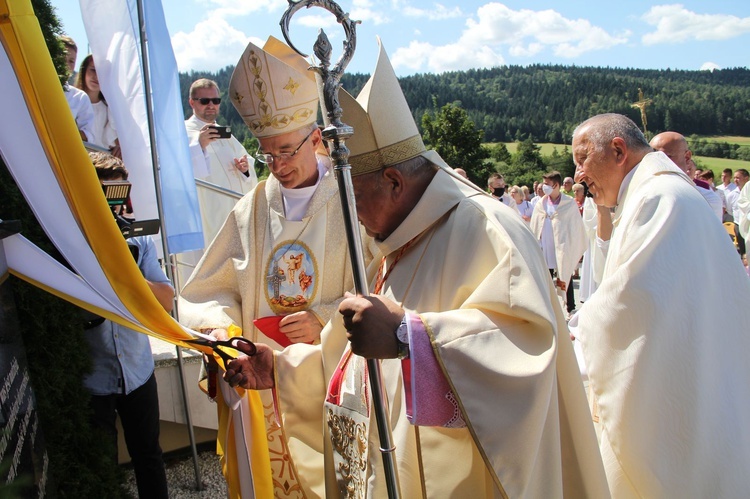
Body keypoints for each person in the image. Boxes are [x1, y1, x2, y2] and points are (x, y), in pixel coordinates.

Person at [222, 40, 608, 498]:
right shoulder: (402, 235)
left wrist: (409, 336)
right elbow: (348, 358)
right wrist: (281, 369)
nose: (355, 215)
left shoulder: (487, 228)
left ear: (393, 181)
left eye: (357, 198)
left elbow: (526, 350)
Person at [177, 37, 375, 498]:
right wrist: (223, 335)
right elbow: (206, 291)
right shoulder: (251, 209)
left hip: (329, 380)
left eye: (287, 151)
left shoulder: (352, 204)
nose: (278, 166)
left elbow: (384, 283)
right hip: (260, 385)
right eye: (268, 154)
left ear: (317, 139)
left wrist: (327, 317)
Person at [570, 113, 750, 497]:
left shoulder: (658, 199)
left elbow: (626, 310)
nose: (578, 174)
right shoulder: (655, 193)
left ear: (618, 150)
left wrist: (565, 341)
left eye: (581, 159)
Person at [85, 151, 170, 499]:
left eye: (121, 196)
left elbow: (165, 299)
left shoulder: (139, 240)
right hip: (92, 377)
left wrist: (125, 266)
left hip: (137, 370)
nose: (117, 207)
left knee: (148, 455)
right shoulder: (72, 242)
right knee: (99, 465)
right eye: (108, 197)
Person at [177, 78, 258, 287]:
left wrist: (245, 167)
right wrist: (199, 146)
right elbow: (176, 171)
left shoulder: (225, 133)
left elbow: (248, 162)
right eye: (205, 100)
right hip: (205, 213)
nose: (211, 105)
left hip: (232, 212)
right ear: (192, 102)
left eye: (215, 100)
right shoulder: (182, 132)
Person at [529, 171, 587, 318]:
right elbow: (535, 224)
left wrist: (573, 246)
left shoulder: (568, 203)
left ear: (556, 185)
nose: (544, 187)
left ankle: (570, 307)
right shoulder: (541, 203)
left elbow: (575, 227)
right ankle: (546, 307)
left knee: (565, 273)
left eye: (547, 184)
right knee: (545, 276)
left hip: (561, 245)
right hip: (545, 245)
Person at [649, 131, 723, 221]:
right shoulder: (644, 191)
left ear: (687, 157)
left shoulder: (707, 199)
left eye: (665, 157)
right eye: (651, 157)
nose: (656, 163)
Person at [76, 54, 121, 158]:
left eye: (101, 73)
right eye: (93, 70)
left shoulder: (110, 109)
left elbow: (112, 140)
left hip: (100, 164)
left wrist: (118, 148)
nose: (96, 77)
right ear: (84, 71)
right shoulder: (73, 101)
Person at [59, 36, 96, 144]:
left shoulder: (79, 97)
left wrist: (63, 133)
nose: (66, 65)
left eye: (71, 61)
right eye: (62, 58)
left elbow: (89, 134)